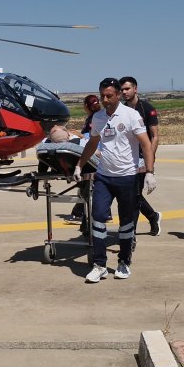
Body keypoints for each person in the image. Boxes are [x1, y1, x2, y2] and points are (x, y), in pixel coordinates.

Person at [74, 77, 155, 283]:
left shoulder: (131, 115)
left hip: (128, 177)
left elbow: (146, 144)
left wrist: (150, 172)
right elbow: (92, 143)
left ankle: (123, 262)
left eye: (109, 95)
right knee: (98, 218)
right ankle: (99, 264)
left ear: (118, 95)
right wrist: (79, 165)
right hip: (104, 177)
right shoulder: (98, 118)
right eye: (102, 95)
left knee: (126, 223)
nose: (105, 99)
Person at [119, 76, 162, 235]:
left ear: (135, 89)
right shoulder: (121, 110)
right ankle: (153, 216)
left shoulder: (146, 108)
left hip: (142, 158)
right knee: (131, 196)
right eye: (122, 89)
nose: (124, 92)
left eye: (127, 89)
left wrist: (149, 159)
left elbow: (155, 136)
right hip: (126, 158)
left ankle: (131, 234)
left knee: (135, 195)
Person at [67, 94, 102, 222]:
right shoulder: (98, 116)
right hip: (98, 153)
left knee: (86, 184)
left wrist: (76, 135)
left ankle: (78, 212)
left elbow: (89, 138)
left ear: (86, 106)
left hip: (94, 154)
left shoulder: (93, 119)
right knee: (92, 186)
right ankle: (81, 212)